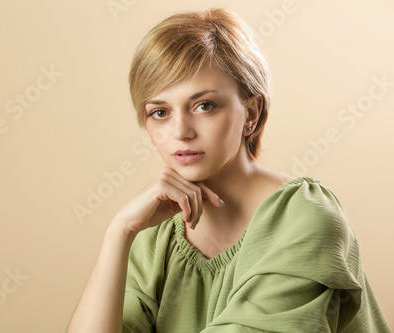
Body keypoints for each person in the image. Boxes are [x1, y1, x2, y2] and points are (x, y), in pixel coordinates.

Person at [66, 6, 390, 333]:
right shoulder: (152, 236)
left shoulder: (306, 219)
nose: (181, 131)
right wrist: (119, 232)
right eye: (160, 112)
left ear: (252, 113)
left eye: (204, 106)